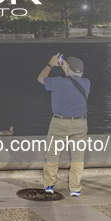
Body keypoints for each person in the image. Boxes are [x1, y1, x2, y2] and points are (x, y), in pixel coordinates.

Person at [37, 54, 90, 197]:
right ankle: (74, 188)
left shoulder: (59, 82)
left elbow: (40, 79)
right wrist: (67, 69)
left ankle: (49, 185)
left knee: (53, 155)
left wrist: (50, 64)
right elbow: (73, 79)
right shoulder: (86, 83)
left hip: (59, 123)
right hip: (80, 123)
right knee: (78, 157)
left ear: (67, 67)